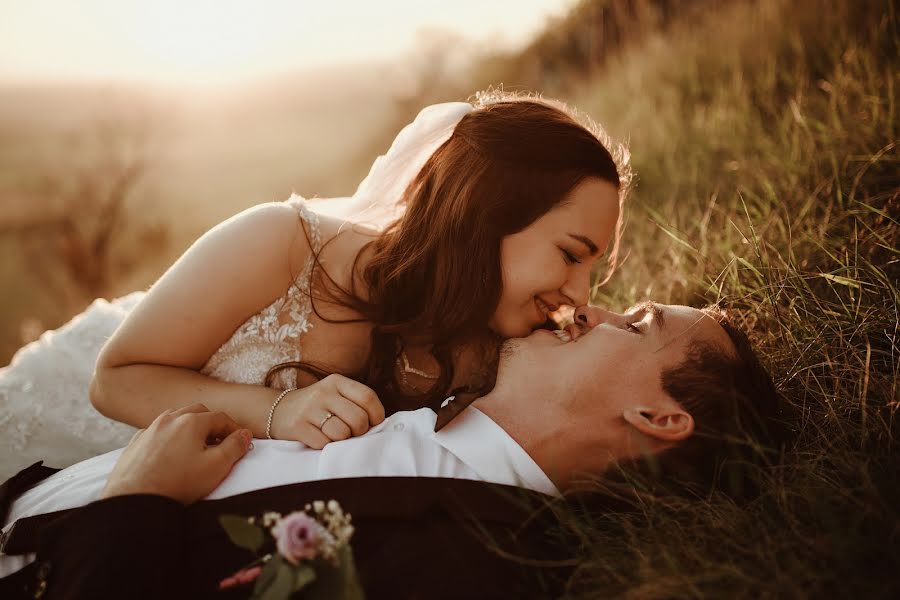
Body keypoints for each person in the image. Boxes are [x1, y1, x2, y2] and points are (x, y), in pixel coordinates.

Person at [0, 90, 631, 479]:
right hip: (60, 430)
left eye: (591, 269)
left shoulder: (488, 341)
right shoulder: (279, 243)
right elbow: (115, 380)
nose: (578, 292)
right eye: (570, 255)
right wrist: (283, 411)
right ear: (486, 215)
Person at [0, 302, 788, 598]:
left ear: (658, 415)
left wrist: (136, 507)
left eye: (635, 322)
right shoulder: (415, 375)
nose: (587, 309)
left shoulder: (472, 569)